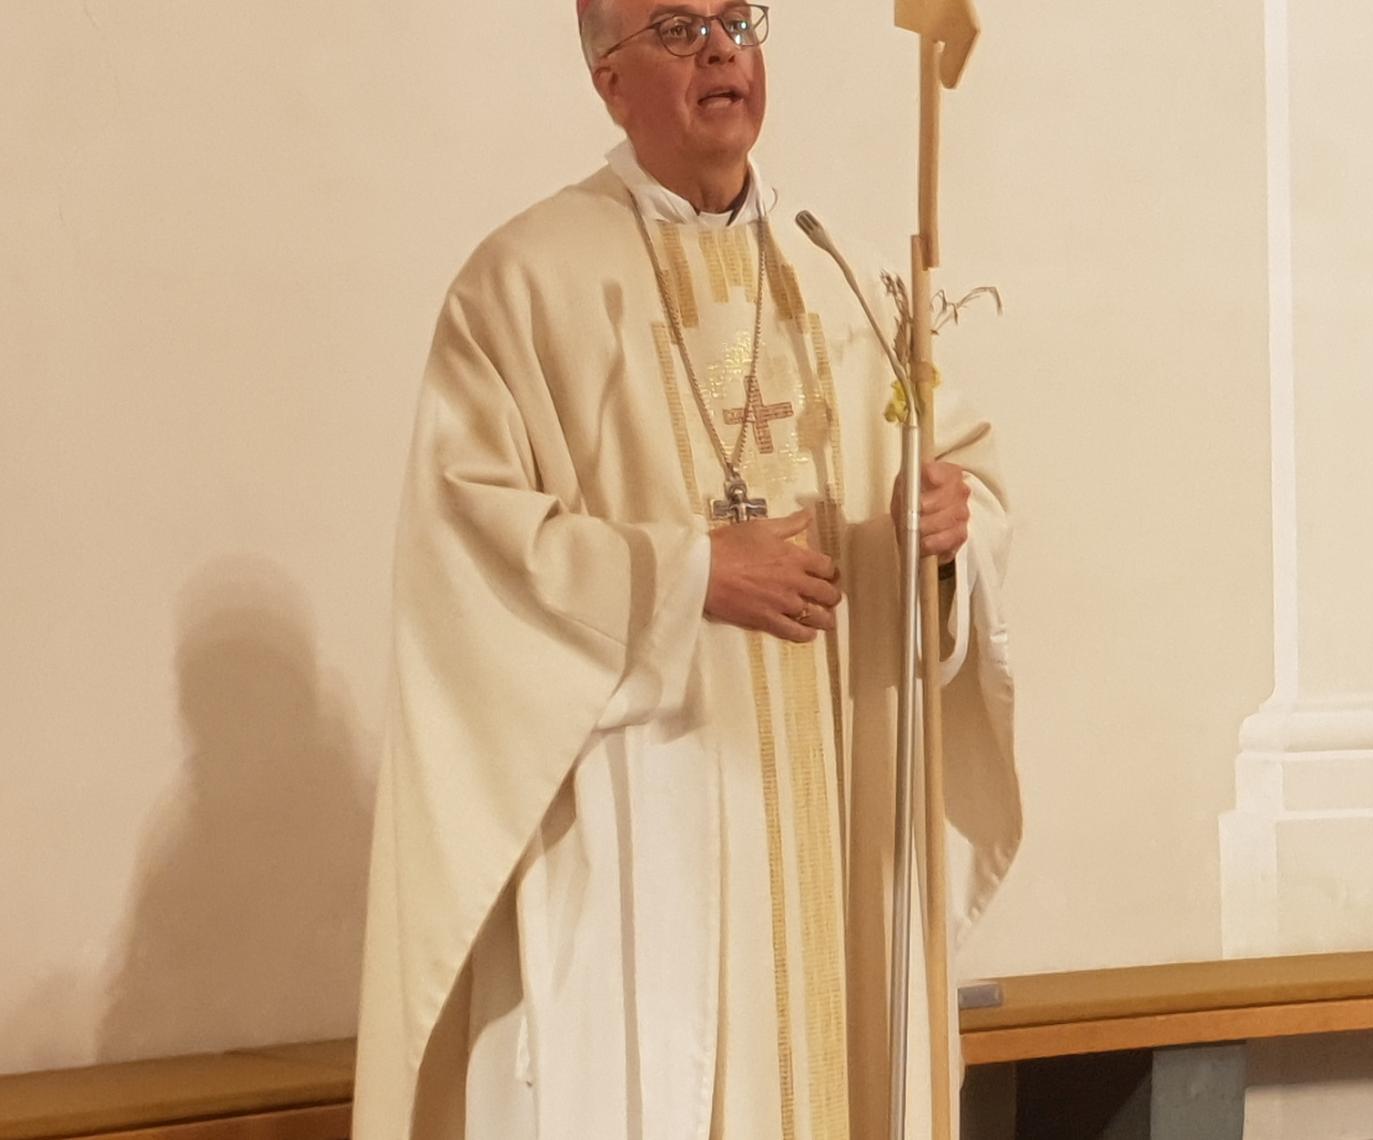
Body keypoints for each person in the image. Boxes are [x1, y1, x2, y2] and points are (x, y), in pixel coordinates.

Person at [353, 2, 1021, 1136]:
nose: (720, 49)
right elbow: (470, 554)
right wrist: (685, 577)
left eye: (736, 19)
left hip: (834, 822)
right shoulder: (523, 286)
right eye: (675, 27)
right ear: (609, 83)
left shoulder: (846, 282)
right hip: (642, 838)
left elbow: (964, 479)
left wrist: (950, 534)